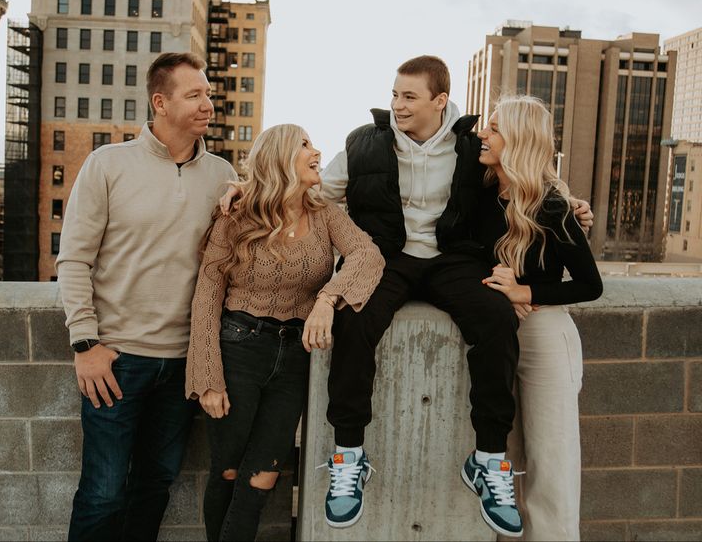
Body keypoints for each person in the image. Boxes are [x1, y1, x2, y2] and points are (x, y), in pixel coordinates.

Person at [220, 56, 592, 537]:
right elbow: (310, 193)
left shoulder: (469, 145)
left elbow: (520, 177)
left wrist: (571, 202)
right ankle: (348, 455)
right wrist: (246, 189)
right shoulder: (362, 143)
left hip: (453, 259)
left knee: (498, 320)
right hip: (385, 256)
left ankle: (488, 458)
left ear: (440, 101)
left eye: (409, 96)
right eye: (395, 94)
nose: (397, 105)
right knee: (354, 319)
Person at [57, 52, 237, 542]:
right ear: (160, 102)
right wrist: (84, 345)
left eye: (208, 92)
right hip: (116, 361)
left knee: (155, 484)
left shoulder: (222, 175)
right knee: (103, 491)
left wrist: (241, 194)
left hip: (183, 363)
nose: (208, 102)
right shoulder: (107, 165)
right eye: (195, 94)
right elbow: (74, 260)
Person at [186, 124, 385, 541]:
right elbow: (207, 295)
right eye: (306, 145)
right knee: (228, 468)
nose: (317, 151)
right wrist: (207, 376)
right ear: (280, 158)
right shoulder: (235, 216)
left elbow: (368, 255)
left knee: (264, 474)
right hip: (238, 348)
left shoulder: (326, 214)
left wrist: (327, 301)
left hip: (294, 358)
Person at [474, 96, 602, 540]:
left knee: (551, 464)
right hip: (499, 333)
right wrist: (497, 288)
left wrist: (523, 290)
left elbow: (590, 284)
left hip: (546, 337)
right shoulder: (485, 192)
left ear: (519, 138)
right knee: (507, 464)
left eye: (494, 127)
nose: (482, 134)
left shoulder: (550, 204)